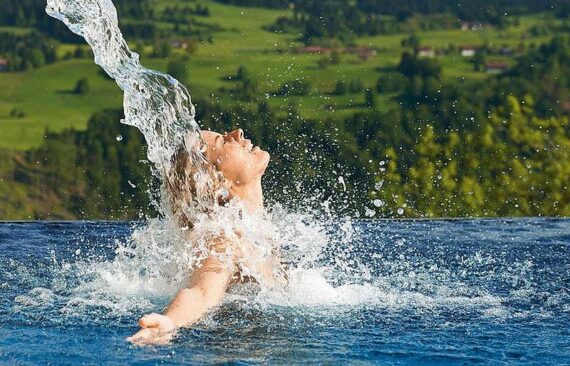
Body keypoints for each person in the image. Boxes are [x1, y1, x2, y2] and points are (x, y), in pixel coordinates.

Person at [127, 129, 285, 345]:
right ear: (218, 183)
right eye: (223, 141)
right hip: (243, 344)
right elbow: (201, 292)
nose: (237, 133)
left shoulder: (253, 233)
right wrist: (169, 322)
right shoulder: (225, 240)